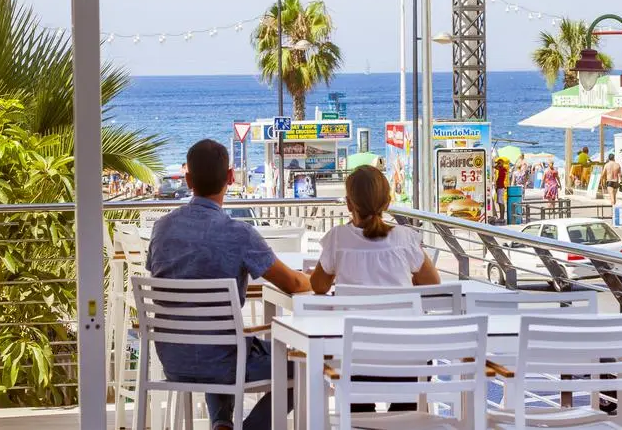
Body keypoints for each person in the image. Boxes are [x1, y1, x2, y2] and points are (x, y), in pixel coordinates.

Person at [147, 139, 310, 430]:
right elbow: (294, 284)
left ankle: (222, 424)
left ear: (188, 180)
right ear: (231, 177)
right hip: (222, 361)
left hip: (173, 359)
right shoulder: (239, 234)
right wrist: (322, 276)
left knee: (222, 339)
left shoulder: (162, 229)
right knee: (304, 363)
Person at [309, 165, 440, 414]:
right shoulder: (405, 238)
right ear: (388, 203)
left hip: (355, 362)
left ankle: (362, 420)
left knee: (353, 387)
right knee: (407, 398)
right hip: (408, 364)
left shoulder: (338, 238)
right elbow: (432, 283)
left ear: (349, 204)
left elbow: (319, 286)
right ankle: (400, 417)